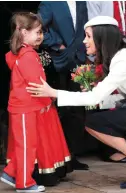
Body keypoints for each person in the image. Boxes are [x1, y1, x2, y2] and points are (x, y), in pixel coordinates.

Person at [26, 16, 126, 189]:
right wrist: (100, 101)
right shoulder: (120, 57)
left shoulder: (124, 60)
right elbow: (124, 97)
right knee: (95, 118)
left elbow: (96, 97)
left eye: (88, 36)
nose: (84, 41)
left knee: (94, 122)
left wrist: (53, 92)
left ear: (102, 37)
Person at [1, 12, 72, 192]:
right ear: (23, 32)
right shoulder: (27, 55)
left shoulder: (18, 53)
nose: (41, 36)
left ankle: (10, 173)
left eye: (41, 32)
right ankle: (24, 184)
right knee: (27, 146)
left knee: (26, 143)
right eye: (37, 32)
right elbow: (36, 83)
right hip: (26, 108)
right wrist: (48, 100)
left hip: (24, 107)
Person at [38, 1, 89, 170]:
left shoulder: (83, 2)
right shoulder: (50, 2)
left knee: (76, 110)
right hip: (57, 62)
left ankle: (71, 155)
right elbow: (36, 28)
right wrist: (56, 44)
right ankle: (59, 157)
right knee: (60, 110)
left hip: (79, 61)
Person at [86, 1, 126, 163]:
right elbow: (94, 22)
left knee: (122, 99)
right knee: (104, 99)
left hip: (122, 47)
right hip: (103, 51)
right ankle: (109, 149)